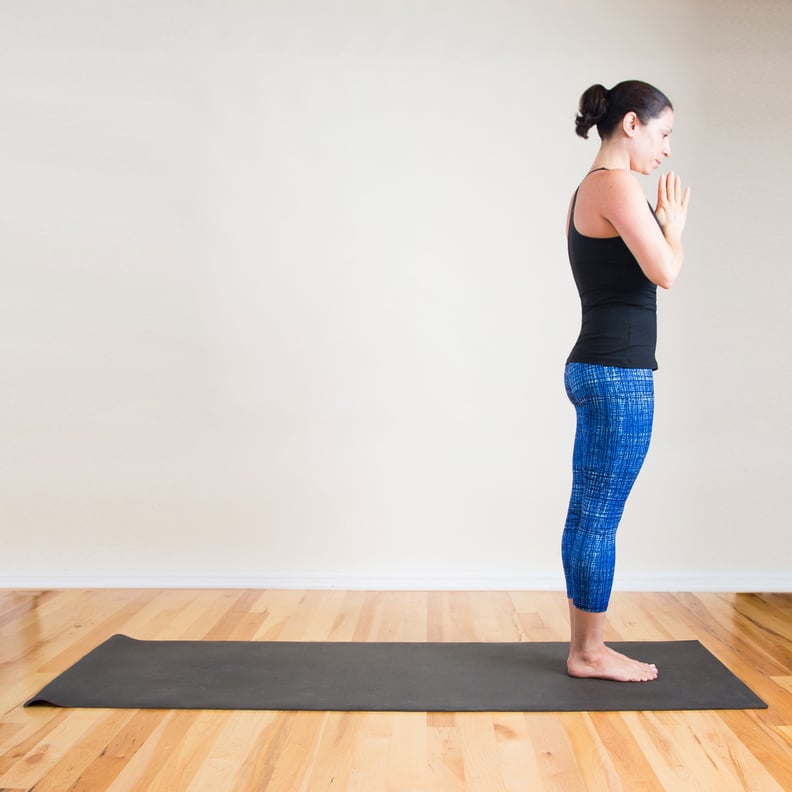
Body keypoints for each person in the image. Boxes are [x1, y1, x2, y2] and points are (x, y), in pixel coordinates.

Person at [562, 80, 690, 682]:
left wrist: (660, 225)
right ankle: (588, 652)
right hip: (618, 376)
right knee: (598, 518)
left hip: (598, 366)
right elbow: (664, 272)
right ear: (632, 124)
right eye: (663, 134)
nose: (665, 150)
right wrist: (674, 228)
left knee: (588, 513)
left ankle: (586, 647)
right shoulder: (615, 184)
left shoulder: (591, 188)